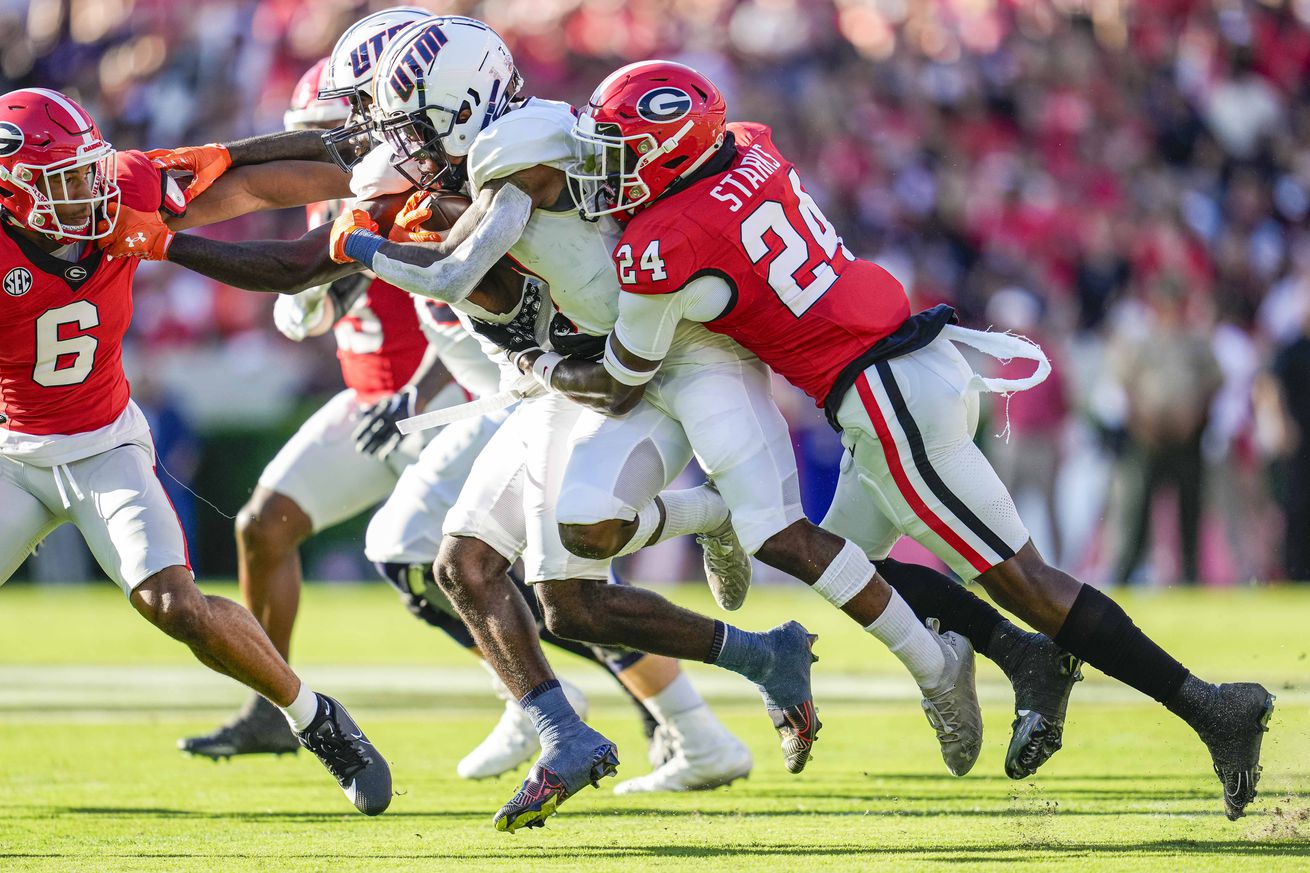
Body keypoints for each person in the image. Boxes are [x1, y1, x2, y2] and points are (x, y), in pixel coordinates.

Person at [543, 60, 1271, 821]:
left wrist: (543, 362)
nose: (608, 173)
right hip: (898, 364)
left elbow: (626, 376)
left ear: (673, 153)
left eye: (623, 153)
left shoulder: (663, 238)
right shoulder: (748, 145)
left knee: (1023, 580)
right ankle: (1025, 658)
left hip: (883, 390)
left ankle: (1211, 706)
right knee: (854, 566)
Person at [104, 15, 756, 797]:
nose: (362, 141)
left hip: (553, 383)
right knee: (497, 569)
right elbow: (296, 194)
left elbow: (365, 262)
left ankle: (648, 702)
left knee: (534, 577)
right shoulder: (430, 155)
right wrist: (185, 176)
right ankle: (593, 707)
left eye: (373, 117)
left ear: (439, 106)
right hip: (515, 381)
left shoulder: (491, 166)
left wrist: (334, 253)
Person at [0, 87, 391, 815]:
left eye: (88, 172)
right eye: (62, 181)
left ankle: (315, 719)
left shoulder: (122, 189)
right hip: (11, 458)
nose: (87, 191)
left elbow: (243, 177)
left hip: (103, 446)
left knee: (173, 604)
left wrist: (369, 174)